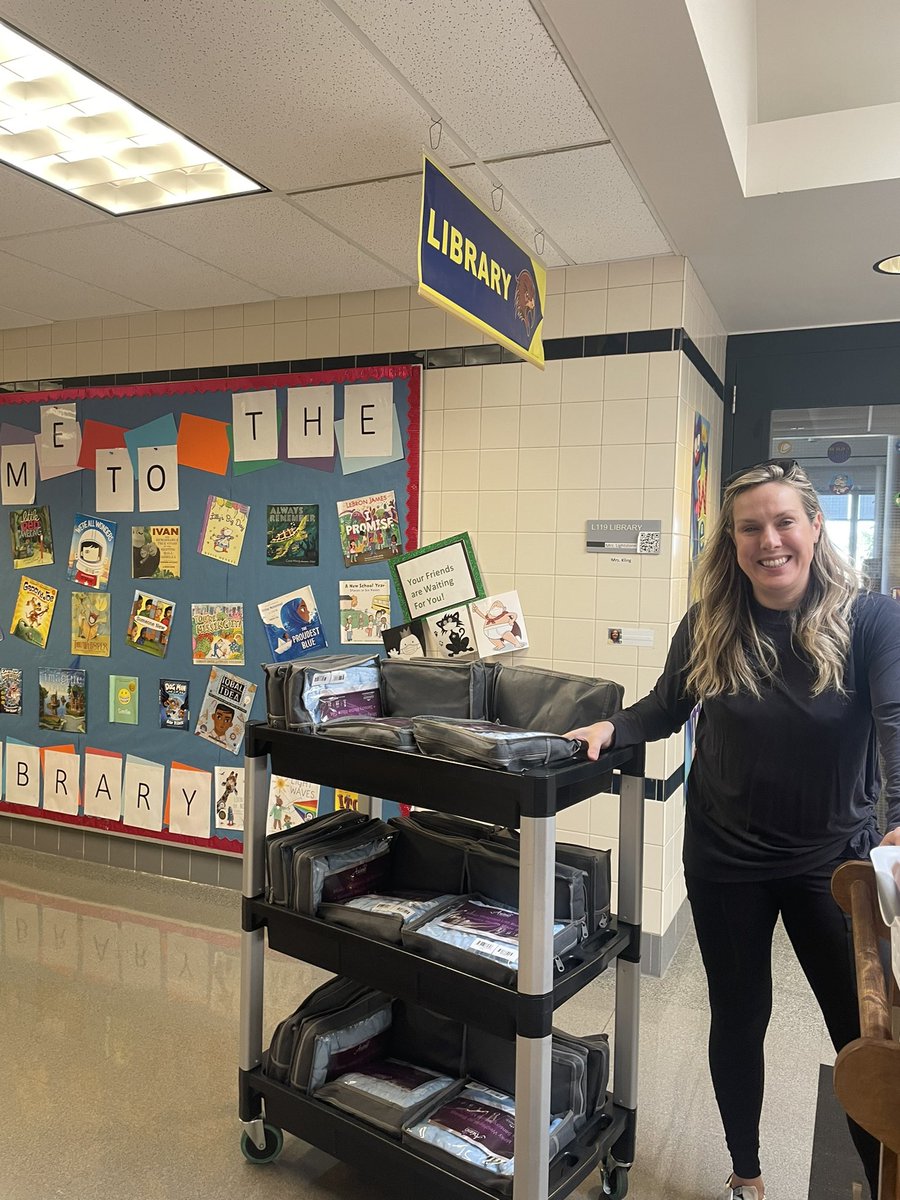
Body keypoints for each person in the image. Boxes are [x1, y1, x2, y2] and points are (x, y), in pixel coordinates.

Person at [567, 460, 900, 1200]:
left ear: (816, 527)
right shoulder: (712, 622)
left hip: (833, 864)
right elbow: (663, 706)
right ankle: (745, 1174)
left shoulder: (870, 620)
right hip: (725, 861)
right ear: (732, 542)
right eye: (750, 527)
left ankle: (885, 1184)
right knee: (740, 1017)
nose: (768, 540)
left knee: (865, 1037)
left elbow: (894, 721)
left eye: (785, 522)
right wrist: (612, 728)